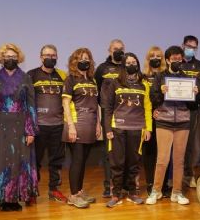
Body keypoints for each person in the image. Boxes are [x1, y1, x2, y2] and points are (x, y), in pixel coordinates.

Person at [0, 44, 38, 210]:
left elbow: (31, 105)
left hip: (20, 124)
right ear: (1, 58)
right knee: (0, 161)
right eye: (7, 56)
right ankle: (1, 198)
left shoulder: (26, 78)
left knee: (19, 161)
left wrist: (30, 130)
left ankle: (16, 198)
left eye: (13, 57)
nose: (10, 59)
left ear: (18, 58)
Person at [146, 46, 200, 205]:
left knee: (179, 160)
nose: (177, 61)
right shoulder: (160, 77)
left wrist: (195, 95)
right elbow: (153, 99)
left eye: (180, 59)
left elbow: (194, 106)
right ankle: (156, 191)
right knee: (162, 159)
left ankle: (176, 192)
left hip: (183, 122)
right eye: (174, 59)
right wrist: (161, 91)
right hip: (164, 121)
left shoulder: (188, 79)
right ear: (168, 60)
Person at [102, 52, 152, 207]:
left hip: (137, 129)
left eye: (134, 62)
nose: (132, 65)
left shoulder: (144, 84)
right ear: (123, 65)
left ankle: (132, 193)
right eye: (128, 63)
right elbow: (108, 108)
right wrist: (108, 128)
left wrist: (148, 128)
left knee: (133, 163)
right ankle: (116, 194)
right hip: (117, 129)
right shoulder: (115, 83)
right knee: (117, 163)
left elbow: (148, 108)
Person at [27, 45, 67, 203]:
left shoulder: (63, 75)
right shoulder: (31, 75)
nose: (50, 57)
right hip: (38, 126)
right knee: (34, 160)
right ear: (41, 57)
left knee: (56, 160)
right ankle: (31, 191)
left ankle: (54, 190)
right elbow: (26, 101)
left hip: (57, 125)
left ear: (57, 57)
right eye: (47, 55)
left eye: (53, 55)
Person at [62, 48, 101, 208]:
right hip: (76, 125)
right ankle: (72, 195)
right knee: (77, 160)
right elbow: (65, 104)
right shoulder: (70, 80)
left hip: (91, 125)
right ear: (74, 61)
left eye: (87, 58)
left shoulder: (93, 80)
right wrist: (71, 126)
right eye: (81, 58)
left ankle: (79, 191)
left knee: (83, 160)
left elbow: (95, 104)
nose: (85, 61)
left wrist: (98, 124)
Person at [94, 39, 125, 198]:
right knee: (109, 151)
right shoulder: (102, 68)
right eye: (115, 49)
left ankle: (123, 185)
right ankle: (109, 186)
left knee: (124, 151)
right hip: (108, 113)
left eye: (121, 49)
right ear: (109, 50)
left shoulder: (128, 66)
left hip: (126, 113)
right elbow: (96, 90)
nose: (118, 51)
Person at [142, 46, 168, 196]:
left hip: (163, 117)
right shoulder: (143, 76)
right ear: (148, 59)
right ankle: (151, 183)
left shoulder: (166, 76)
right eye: (152, 56)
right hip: (147, 119)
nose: (156, 59)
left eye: (159, 56)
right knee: (149, 153)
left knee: (163, 153)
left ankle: (163, 185)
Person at [180, 35, 200, 189]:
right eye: (189, 46)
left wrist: (198, 91)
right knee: (179, 144)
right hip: (177, 108)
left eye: (194, 47)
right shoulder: (176, 63)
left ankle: (190, 175)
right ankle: (178, 175)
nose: (191, 49)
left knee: (191, 145)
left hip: (193, 110)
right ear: (183, 46)